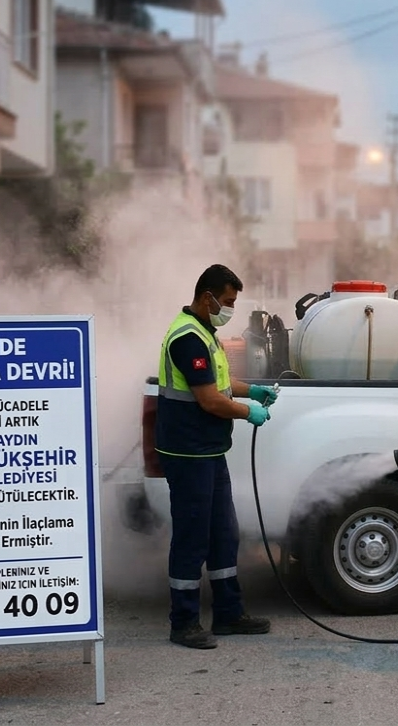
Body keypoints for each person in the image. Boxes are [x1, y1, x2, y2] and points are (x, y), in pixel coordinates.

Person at [156, 264, 278, 649]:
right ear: (206, 296)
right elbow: (209, 400)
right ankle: (184, 622)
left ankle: (228, 613)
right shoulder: (187, 338)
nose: (229, 309)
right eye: (226, 302)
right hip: (187, 452)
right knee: (193, 537)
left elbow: (219, 384)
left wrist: (251, 390)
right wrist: (248, 412)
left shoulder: (206, 333)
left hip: (209, 450)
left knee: (223, 533)